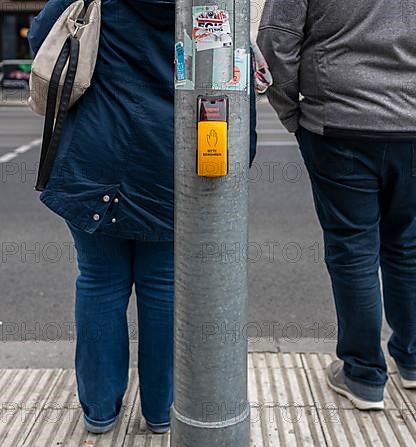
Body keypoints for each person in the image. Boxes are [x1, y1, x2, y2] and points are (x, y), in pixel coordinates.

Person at [28, 0, 257, 434]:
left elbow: (45, 36)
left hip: (97, 152)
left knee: (98, 282)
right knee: (165, 288)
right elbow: (232, 70)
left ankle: (99, 410)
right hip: (175, 159)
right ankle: (160, 411)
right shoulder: (211, 5)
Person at [258, 0, 416, 410]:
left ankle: (364, 375)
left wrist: (291, 113)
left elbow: (278, 41)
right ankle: (414, 359)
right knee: (407, 244)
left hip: (337, 121)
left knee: (352, 250)